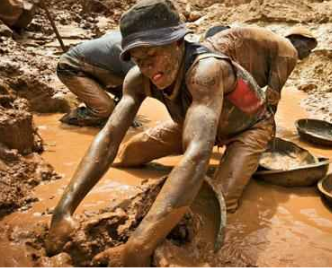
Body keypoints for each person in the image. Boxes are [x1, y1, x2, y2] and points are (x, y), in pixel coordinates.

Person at [46, 0, 275, 266]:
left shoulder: (205, 72)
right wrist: (63, 210)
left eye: (152, 56)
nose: (148, 69)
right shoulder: (137, 77)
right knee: (128, 155)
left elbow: (196, 156)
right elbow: (109, 138)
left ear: (177, 42)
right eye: (138, 60)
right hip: (196, 123)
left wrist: (137, 247)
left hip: (247, 129)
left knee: (213, 204)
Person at [203, 25, 317, 112]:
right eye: (307, 46)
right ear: (294, 39)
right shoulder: (288, 51)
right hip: (217, 60)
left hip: (207, 55)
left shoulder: (272, 43)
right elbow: (273, 94)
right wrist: (268, 123)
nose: (309, 52)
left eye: (311, 50)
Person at [57, 31, 136, 126]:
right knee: (104, 109)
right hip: (71, 67)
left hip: (99, 68)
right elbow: (140, 83)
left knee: (130, 93)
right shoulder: (129, 51)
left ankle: (115, 114)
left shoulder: (129, 35)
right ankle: (69, 121)